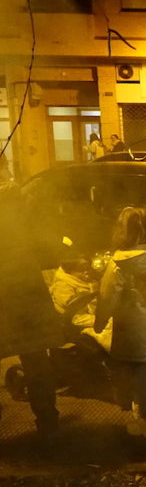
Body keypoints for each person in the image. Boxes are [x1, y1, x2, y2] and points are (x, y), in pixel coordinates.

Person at [94, 207, 146, 439]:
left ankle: (145, 421)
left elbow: (108, 295)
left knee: (134, 371)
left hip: (132, 325)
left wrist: (100, 320)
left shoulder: (119, 262)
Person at [0, 175, 61, 439]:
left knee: (35, 356)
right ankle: (47, 417)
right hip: (26, 287)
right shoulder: (25, 200)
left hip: (11, 287)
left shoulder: (23, 200)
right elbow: (45, 240)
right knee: (35, 356)